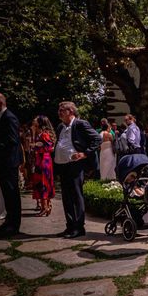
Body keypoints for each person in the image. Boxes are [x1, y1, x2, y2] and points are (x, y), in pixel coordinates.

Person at [54, 101, 102, 238]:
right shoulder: (60, 127)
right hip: (63, 164)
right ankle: (70, 226)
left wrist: (84, 153)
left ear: (70, 111)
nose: (59, 112)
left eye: (62, 109)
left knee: (75, 195)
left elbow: (97, 139)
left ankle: (78, 227)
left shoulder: (80, 124)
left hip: (75, 165)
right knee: (66, 197)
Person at [0, 93, 23, 237]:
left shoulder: (9, 117)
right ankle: (8, 222)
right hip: (2, 162)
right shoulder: (0, 118)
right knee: (7, 195)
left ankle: (14, 226)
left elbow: (13, 141)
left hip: (9, 162)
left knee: (12, 194)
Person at [30, 115, 56, 217]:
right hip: (42, 160)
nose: (34, 120)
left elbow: (49, 148)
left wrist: (36, 146)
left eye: (36, 119)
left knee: (43, 183)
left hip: (43, 161)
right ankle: (46, 206)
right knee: (42, 182)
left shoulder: (44, 134)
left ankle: (44, 207)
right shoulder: (40, 133)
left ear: (40, 122)